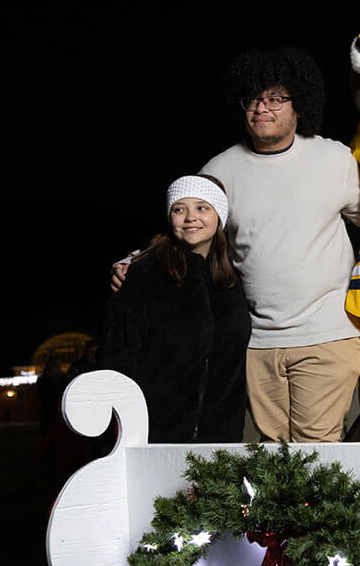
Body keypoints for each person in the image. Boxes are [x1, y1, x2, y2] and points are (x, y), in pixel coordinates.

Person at [114, 48, 360, 443]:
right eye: (254, 99)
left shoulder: (335, 159)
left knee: (316, 451)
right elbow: (189, 226)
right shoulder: (219, 169)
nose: (263, 108)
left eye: (276, 98)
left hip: (327, 333)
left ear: (299, 104)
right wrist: (137, 261)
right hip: (256, 341)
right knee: (271, 454)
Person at [101, 175, 251, 444]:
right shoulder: (145, 274)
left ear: (219, 215)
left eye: (202, 208)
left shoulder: (232, 280)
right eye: (179, 209)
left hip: (221, 438)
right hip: (155, 434)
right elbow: (117, 353)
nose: (190, 217)